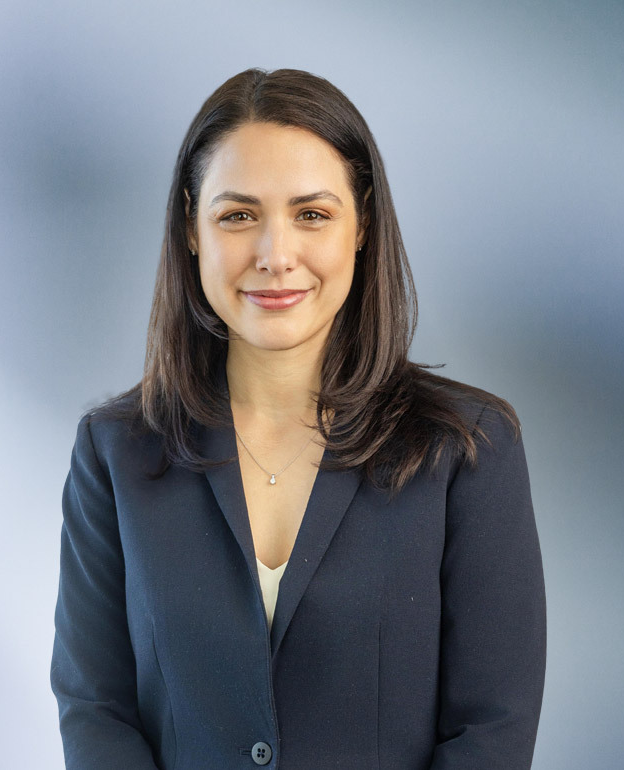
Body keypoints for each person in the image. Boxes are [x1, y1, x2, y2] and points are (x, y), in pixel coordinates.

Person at [50, 67, 546, 769]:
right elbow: (96, 709)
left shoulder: (465, 451)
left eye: (311, 214)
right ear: (192, 229)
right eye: (238, 215)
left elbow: (491, 730)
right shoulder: (115, 455)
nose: (274, 255)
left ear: (362, 225)